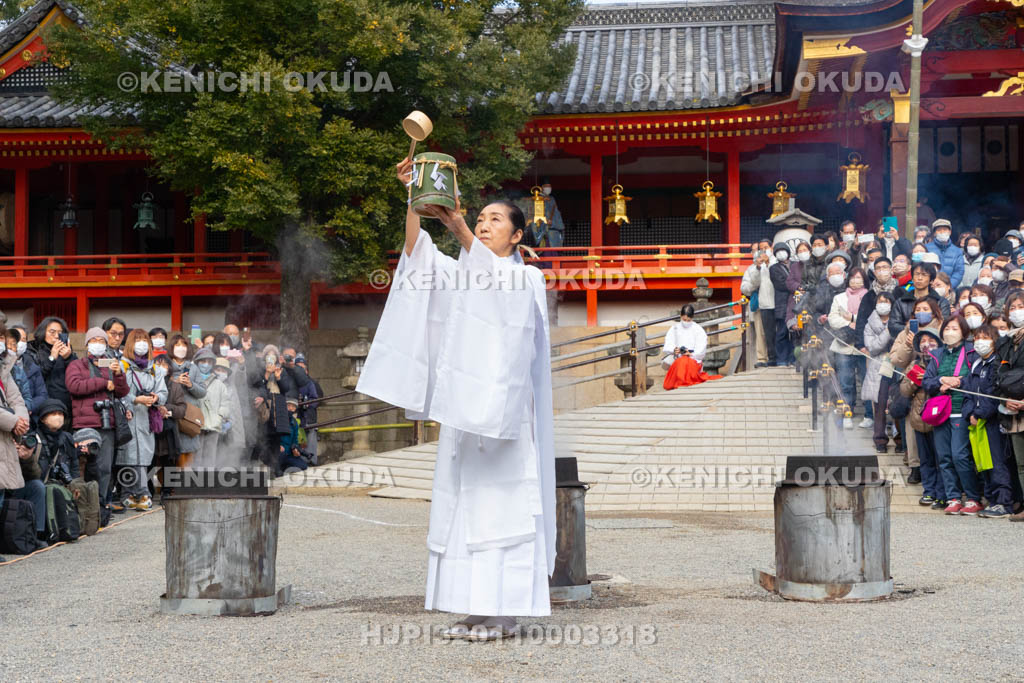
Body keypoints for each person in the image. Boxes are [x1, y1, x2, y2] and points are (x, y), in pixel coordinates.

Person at [354, 156, 557, 641]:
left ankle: (504, 613)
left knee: (502, 510)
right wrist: (415, 197)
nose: (485, 224)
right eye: (481, 217)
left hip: (505, 422)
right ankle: (474, 608)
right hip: (465, 416)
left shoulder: (526, 278)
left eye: (495, 220)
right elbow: (416, 255)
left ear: (517, 236)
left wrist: (459, 224)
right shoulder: (460, 272)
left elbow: (500, 289)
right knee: (462, 507)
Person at [64, 327, 130, 514]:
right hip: (85, 424)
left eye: (102, 341)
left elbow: (123, 392)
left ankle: (100, 507)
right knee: (84, 466)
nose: (98, 344)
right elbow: (74, 386)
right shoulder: (77, 365)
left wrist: (118, 375)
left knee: (105, 468)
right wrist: (103, 383)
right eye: (94, 340)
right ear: (87, 344)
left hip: (107, 422)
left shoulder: (111, 364)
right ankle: (83, 506)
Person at [922, 315, 983, 515]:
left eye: (955, 328)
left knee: (960, 455)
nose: (950, 332)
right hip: (941, 414)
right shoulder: (937, 354)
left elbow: (977, 380)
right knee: (944, 457)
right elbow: (926, 382)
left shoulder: (972, 351)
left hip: (962, 411)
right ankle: (953, 497)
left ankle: (973, 497)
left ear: (964, 332)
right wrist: (942, 380)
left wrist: (959, 382)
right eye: (947, 328)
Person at [962, 324, 1022, 518]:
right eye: (977, 337)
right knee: (983, 463)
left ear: (995, 341)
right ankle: (992, 499)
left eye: (985, 337)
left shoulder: (997, 362)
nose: (980, 341)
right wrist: (969, 413)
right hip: (977, 422)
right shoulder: (976, 364)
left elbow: (993, 393)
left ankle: (1004, 502)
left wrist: (980, 413)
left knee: (998, 463)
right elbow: (968, 392)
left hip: (993, 421)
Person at [114, 329, 166, 511]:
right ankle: (132, 493)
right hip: (127, 417)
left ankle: (137, 493)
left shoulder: (155, 369)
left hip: (146, 418)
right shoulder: (121, 365)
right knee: (128, 457)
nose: (142, 343)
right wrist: (135, 399)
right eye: (137, 340)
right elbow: (118, 392)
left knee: (142, 457)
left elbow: (163, 391)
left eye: (144, 340)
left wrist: (156, 398)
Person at [900, 329, 944, 507]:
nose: (927, 344)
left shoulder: (943, 362)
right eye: (923, 340)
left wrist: (929, 379)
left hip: (939, 417)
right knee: (924, 458)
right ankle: (929, 491)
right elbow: (904, 390)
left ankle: (942, 493)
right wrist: (914, 382)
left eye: (931, 340)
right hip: (919, 418)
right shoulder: (914, 364)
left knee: (941, 458)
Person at [829, 267, 871, 429]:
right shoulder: (839, 297)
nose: (855, 281)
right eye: (852, 278)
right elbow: (833, 319)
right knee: (845, 382)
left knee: (867, 380)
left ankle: (869, 415)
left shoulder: (870, 297)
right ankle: (847, 413)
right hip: (844, 345)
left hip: (864, 347)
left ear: (864, 280)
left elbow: (870, 318)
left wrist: (854, 319)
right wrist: (849, 324)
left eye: (859, 278)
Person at [995, 291, 1024, 521]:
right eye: (1012, 307)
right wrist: (1004, 400)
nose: (1016, 311)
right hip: (1012, 411)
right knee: (1020, 463)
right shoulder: (1005, 342)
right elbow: (997, 376)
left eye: (1020, 306)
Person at [167, 335, 207, 468]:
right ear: (171, 347)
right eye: (177, 345)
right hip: (171, 414)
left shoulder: (193, 368)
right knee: (170, 452)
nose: (181, 348)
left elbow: (202, 392)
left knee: (188, 453)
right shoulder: (166, 366)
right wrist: (173, 382)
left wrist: (191, 385)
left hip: (189, 416)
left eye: (183, 345)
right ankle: (170, 480)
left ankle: (186, 478)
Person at [151, 354, 185, 503]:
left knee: (169, 462)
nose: (161, 368)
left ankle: (167, 492)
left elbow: (182, 409)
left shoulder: (175, 386)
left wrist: (167, 409)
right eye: (158, 365)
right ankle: (148, 491)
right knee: (149, 462)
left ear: (170, 368)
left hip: (168, 430)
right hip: (151, 429)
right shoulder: (149, 383)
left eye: (164, 365)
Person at [863, 291, 893, 451]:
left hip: (897, 363)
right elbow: (873, 347)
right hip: (879, 367)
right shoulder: (869, 324)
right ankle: (880, 440)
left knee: (898, 402)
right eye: (880, 301)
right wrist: (888, 332)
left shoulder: (897, 321)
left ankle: (900, 441)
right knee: (879, 404)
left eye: (886, 301)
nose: (883, 304)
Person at [27, 316, 76, 416]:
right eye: (52, 332)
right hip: (44, 406)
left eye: (60, 332)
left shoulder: (67, 350)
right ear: (43, 332)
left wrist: (69, 357)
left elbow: (78, 374)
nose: (57, 336)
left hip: (67, 404)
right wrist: (52, 358)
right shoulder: (33, 349)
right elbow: (36, 376)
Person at [888, 263, 951, 337]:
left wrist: (919, 332)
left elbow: (943, 325)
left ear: (931, 280)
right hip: (905, 340)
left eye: (924, 275)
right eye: (917, 274)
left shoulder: (941, 302)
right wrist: (912, 331)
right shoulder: (901, 302)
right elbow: (893, 327)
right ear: (912, 278)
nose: (920, 278)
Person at [740, 240, 775, 368]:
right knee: (760, 332)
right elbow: (744, 288)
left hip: (775, 302)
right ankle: (762, 358)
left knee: (775, 331)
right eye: (756, 250)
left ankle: (776, 357)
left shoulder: (775, 263)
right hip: (759, 304)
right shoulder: (751, 269)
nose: (760, 252)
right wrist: (754, 284)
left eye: (765, 248)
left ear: (771, 248)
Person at [193, 347, 229, 467]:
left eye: (209, 362)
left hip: (213, 425)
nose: (206, 364)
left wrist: (220, 416)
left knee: (210, 456)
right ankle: (195, 477)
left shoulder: (219, 384)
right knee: (196, 456)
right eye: (203, 361)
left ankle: (208, 477)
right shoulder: (192, 380)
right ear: (197, 362)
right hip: (196, 424)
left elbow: (225, 403)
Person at [769, 242, 795, 366]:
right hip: (782, 304)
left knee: (796, 331)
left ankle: (794, 358)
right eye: (777, 251)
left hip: (796, 302)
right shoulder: (773, 268)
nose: (781, 253)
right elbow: (781, 285)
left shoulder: (796, 265)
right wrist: (796, 286)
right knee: (782, 332)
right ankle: (782, 359)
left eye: (783, 250)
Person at [661, 305, 708, 369]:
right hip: (677, 358)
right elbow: (668, 343)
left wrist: (691, 354)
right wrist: (674, 349)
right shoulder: (675, 328)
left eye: (688, 320)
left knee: (685, 364)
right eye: (684, 319)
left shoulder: (698, 330)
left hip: (692, 359)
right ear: (681, 316)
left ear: (692, 317)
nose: (686, 322)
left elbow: (701, 348)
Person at [277, 398, 310, 472]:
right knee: (278, 471)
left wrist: (295, 450)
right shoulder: (278, 418)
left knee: (303, 466)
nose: (291, 408)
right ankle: (278, 468)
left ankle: (285, 466)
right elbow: (272, 436)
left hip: (289, 453)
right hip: (278, 452)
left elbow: (295, 440)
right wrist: (277, 445)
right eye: (288, 405)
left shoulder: (294, 422)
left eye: (293, 406)